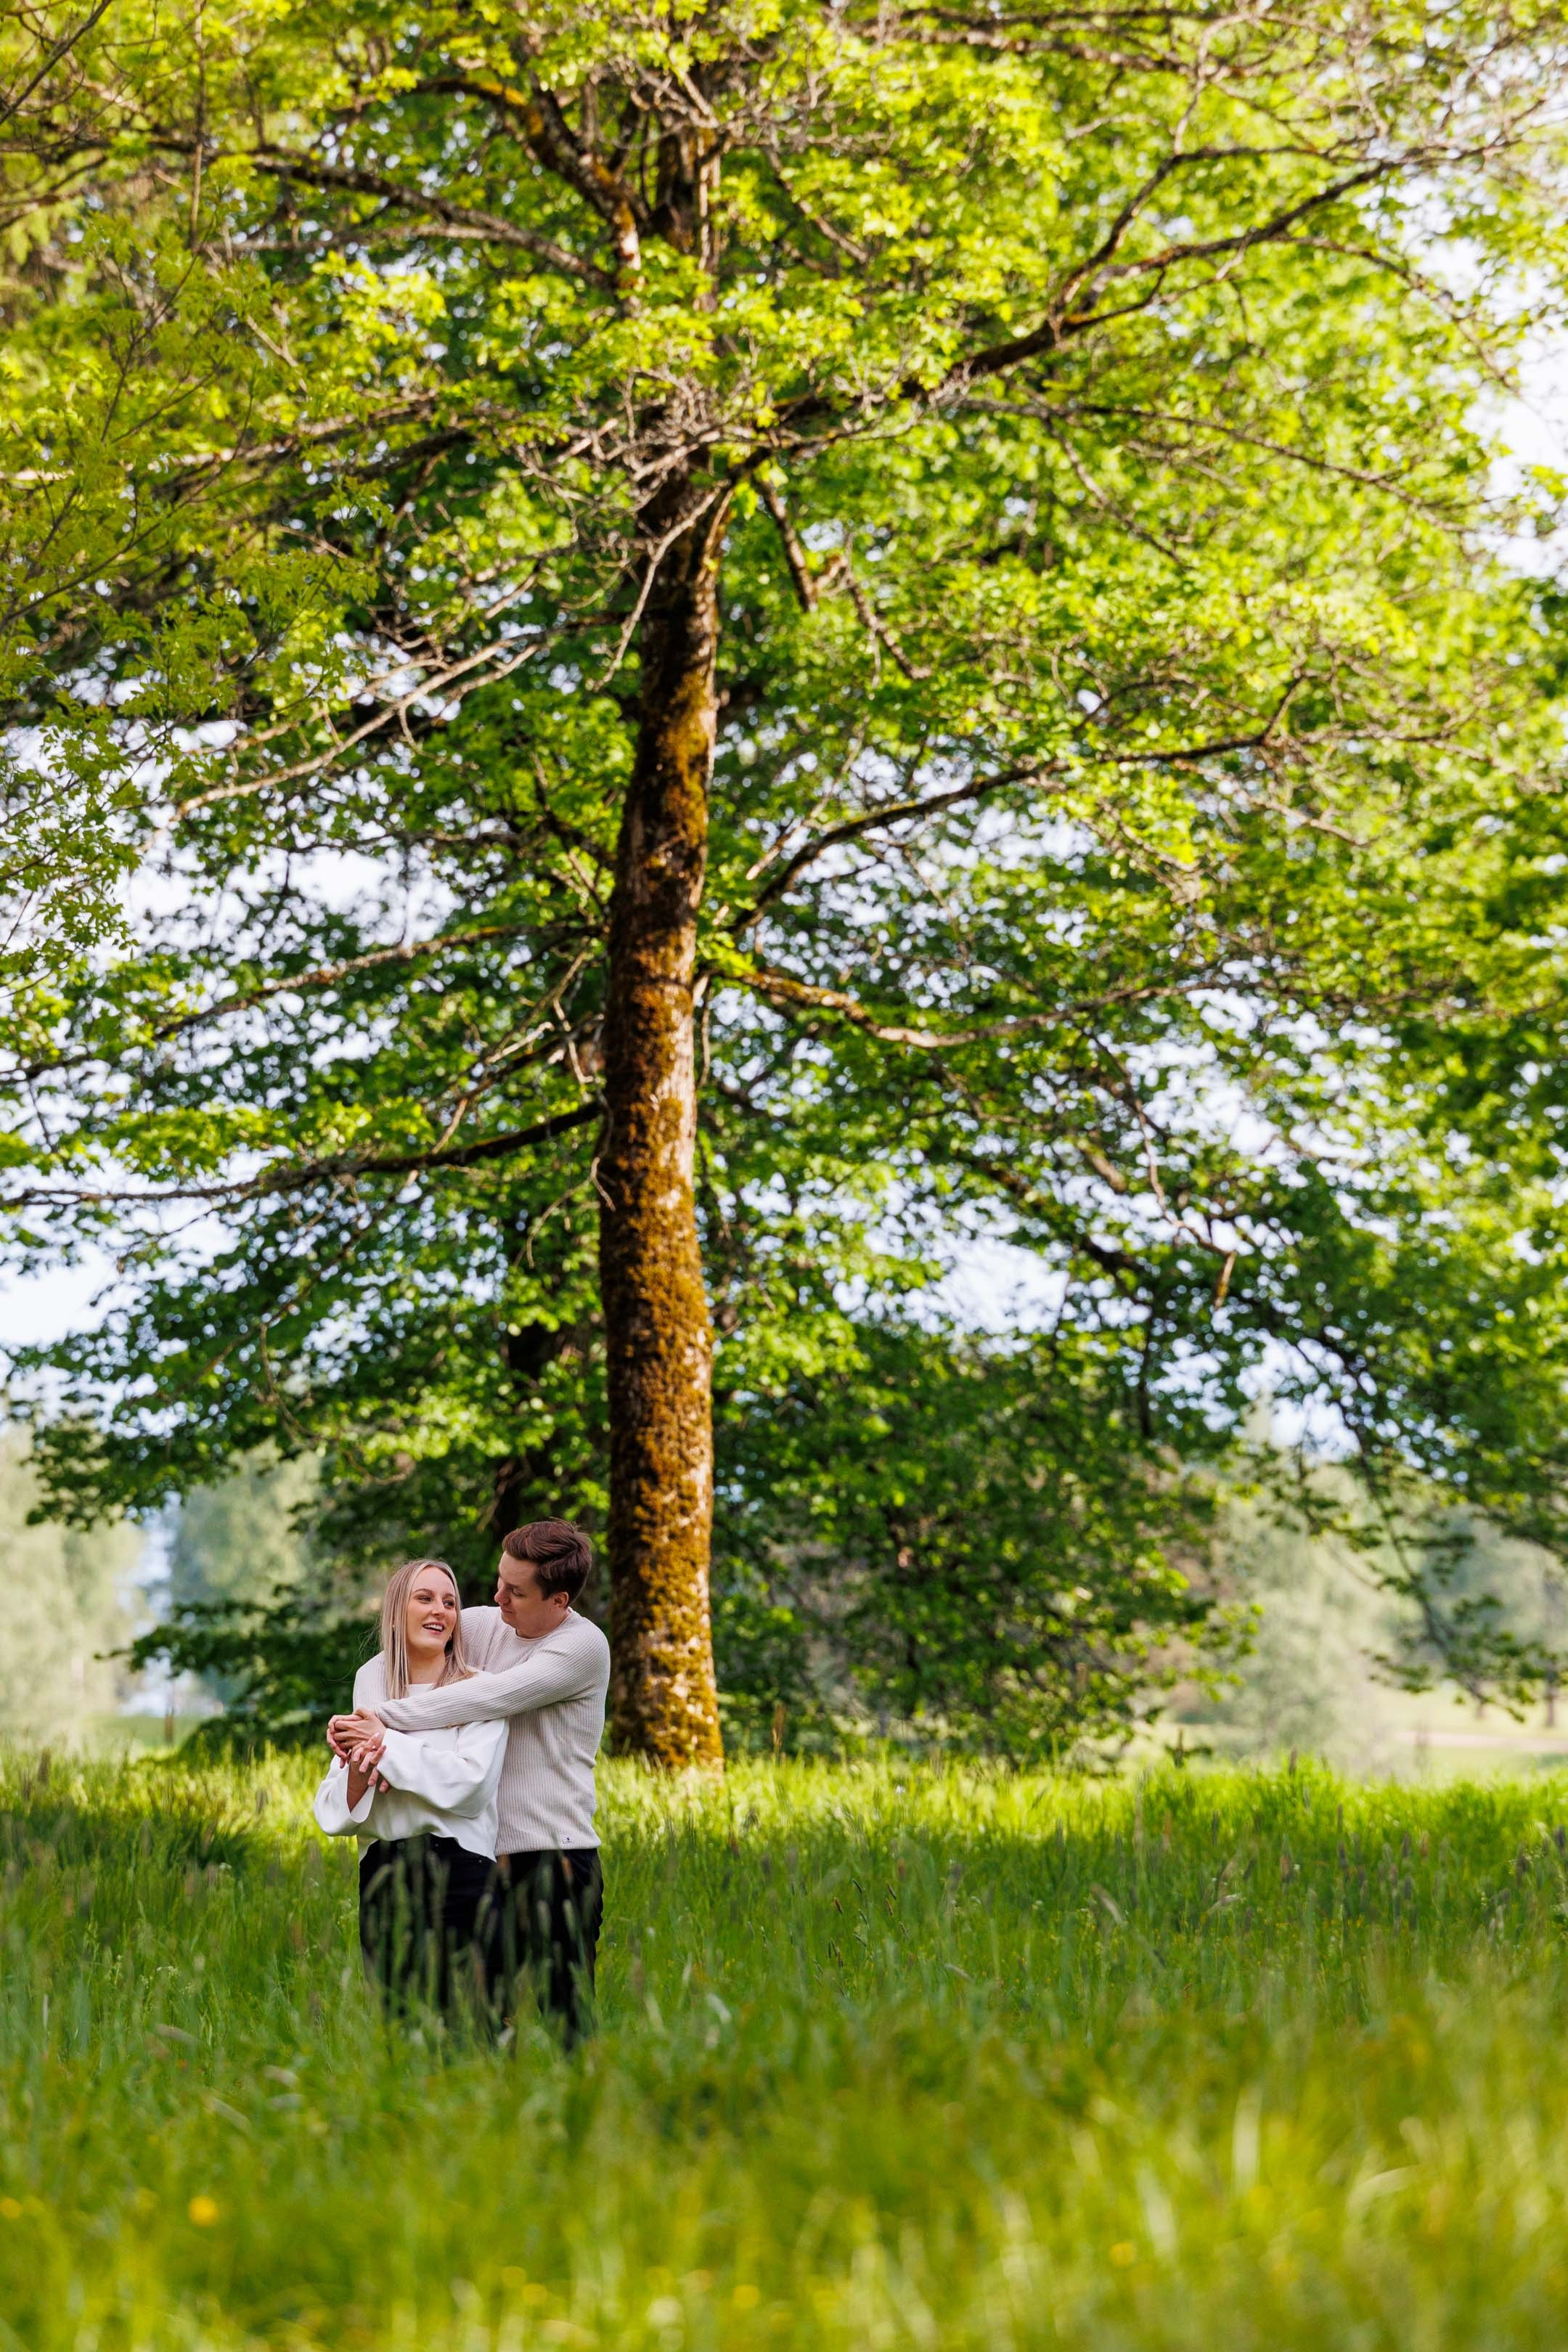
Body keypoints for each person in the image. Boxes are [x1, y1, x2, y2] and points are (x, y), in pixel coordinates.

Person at [330, 1519, 609, 2043]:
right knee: (487, 2023)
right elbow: (397, 1650)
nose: (497, 1598)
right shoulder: (486, 1622)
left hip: (553, 1856)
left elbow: (483, 1698)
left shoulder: (581, 1647)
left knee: (563, 2023)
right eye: (500, 1581)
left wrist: (380, 1727)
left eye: (516, 1592)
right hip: (481, 1858)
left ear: (558, 1601)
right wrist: (358, 1733)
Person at [314, 1558, 507, 2022]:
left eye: (450, 1602)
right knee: (400, 2034)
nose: (440, 1610)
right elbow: (332, 1813)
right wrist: (361, 1768)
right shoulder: (371, 1685)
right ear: (397, 1610)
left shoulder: (481, 1688)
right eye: (425, 1598)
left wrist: (385, 1748)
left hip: (463, 1874)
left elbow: (470, 1786)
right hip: (384, 1876)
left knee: (472, 2030)